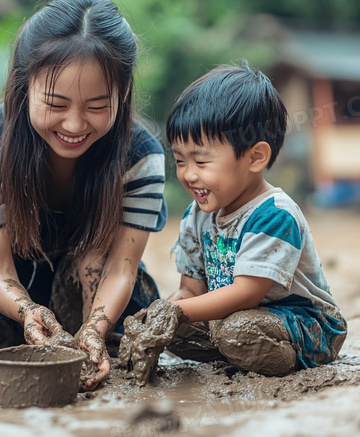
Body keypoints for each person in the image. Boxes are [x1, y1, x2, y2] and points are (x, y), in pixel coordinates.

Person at [0, 0, 167, 391]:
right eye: (55, 104)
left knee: (110, 279)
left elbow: (121, 269)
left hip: (86, 269)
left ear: (123, 92)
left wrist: (95, 329)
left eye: (97, 106)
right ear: (24, 85)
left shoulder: (141, 157)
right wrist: (27, 311)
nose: (75, 124)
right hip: (6, 267)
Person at [119, 61, 347, 383]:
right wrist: (160, 314)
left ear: (255, 157)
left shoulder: (274, 214)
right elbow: (191, 290)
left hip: (303, 323)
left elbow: (245, 294)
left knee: (235, 331)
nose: (188, 174)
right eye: (180, 160)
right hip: (236, 320)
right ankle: (234, 350)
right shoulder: (197, 215)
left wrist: (175, 312)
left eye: (201, 161)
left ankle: (279, 358)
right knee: (175, 330)